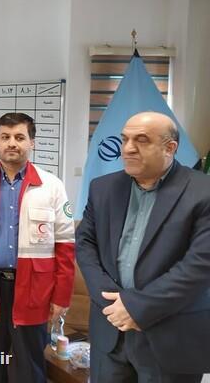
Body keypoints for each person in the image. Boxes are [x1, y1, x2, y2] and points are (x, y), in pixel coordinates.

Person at [76, 111, 210, 383]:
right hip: (110, 330)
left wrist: (135, 307)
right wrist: (112, 302)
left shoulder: (202, 192)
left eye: (142, 140)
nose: (128, 148)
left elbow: (199, 265)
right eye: (124, 139)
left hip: (170, 336)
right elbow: (85, 244)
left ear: (170, 147)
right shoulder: (103, 188)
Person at [0, 112, 75, 383]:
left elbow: (66, 247)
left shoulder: (52, 186)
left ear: (32, 142)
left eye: (19, 137)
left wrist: (62, 296)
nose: (12, 143)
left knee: (28, 363)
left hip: (34, 288)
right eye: (5, 137)